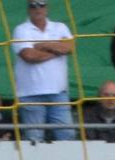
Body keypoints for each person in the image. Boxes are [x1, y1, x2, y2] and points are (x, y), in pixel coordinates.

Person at [12, 0, 78, 143]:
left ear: (47, 7)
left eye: (41, 4)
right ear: (28, 9)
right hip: (30, 94)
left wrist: (41, 46)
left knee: (67, 136)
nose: (37, 8)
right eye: (33, 5)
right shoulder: (21, 29)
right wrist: (56, 50)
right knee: (34, 140)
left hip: (59, 93)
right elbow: (29, 56)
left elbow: (69, 47)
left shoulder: (60, 27)